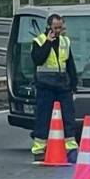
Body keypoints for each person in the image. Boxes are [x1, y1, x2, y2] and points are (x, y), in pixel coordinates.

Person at [30, 14, 79, 161]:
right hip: (45, 86)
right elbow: (37, 59)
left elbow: (70, 64)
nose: (58, 30)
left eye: (61, 27)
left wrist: (74, 83)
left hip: (63, 85)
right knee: (43, 117)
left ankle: (70, 148)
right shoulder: (39, 41)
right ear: (49, 27)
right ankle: (39, 149)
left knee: (68, 116)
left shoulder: (65, 41)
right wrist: (48, 43)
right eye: (56, 27)